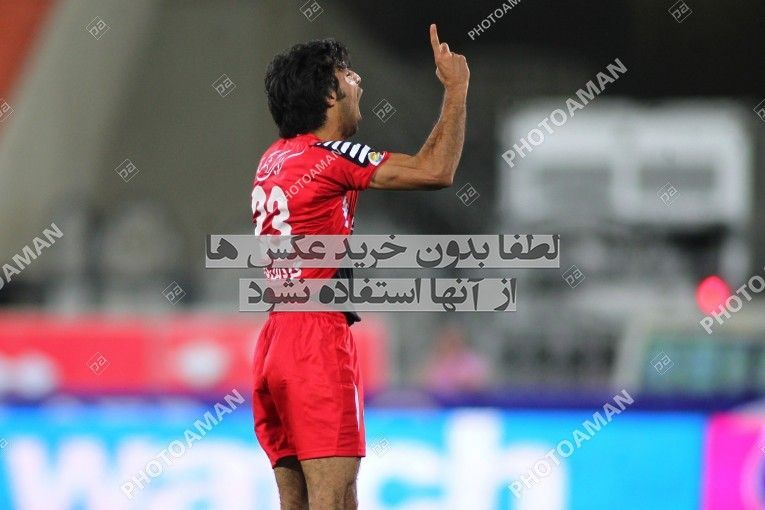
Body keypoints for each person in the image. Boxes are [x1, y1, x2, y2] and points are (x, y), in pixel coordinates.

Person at [252, 24, 469, 509]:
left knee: (298, 502)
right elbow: (436, 170)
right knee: (336, 498)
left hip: (274, 340)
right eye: (347, 74)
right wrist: (456, 90)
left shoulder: (273, 158)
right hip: (315, 340)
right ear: (329, 95)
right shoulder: (330, 156)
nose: (359, 81)